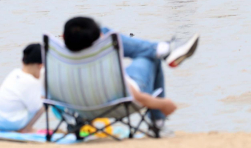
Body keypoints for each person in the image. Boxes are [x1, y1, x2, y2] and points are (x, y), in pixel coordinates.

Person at [59, 17, 199, 124]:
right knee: (151, 56)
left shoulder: (58, 64)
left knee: (107, 33)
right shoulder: (104, 65)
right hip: (119, 104)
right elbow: (136, 97)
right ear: (98, 42)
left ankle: (163, 49)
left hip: (81, 109)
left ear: (64, 37)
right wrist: (163, 104)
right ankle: (158, 121)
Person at [0, 43, 45, 132]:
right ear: (40, 65)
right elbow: (35, 108)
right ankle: (26, 129)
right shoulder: (32, 82)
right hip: (12, 124)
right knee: (44, 103)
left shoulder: (14, 73)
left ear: (23, 61)